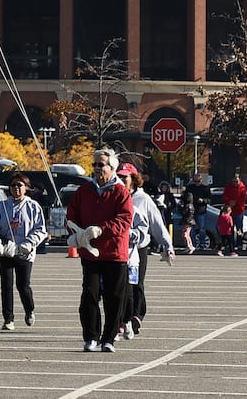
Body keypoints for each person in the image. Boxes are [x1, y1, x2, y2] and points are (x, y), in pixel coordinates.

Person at [66, 148, 133, 353]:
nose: (96, 168)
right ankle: (91, 337)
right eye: (94, 164)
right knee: (89, 295)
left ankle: (109, 338)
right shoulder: (84, 190)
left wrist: (101, 229)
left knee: (114, 297)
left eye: (100, 164)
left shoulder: (121, 192)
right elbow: (72, 213)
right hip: (90, 253)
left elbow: (125, 220)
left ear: (111, 167)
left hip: (114, 253)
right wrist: (75, 232)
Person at [116, 164, 172, 340]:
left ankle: (136, 316)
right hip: (118, 247)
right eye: (118, 176)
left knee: (136, 283)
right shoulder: (113, 196)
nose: (121, 180)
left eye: (125, 177)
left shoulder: (143, 199)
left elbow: (156, 223)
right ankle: (120, 320)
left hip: (138, 247)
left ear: (133, 179)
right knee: (118, 286)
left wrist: (167, 245)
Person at [0, 172, 48, 331]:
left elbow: (40, 229)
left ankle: (29, 309)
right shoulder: (2, 206)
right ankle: (8, 318)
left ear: (26, 188)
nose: (16, 188)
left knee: (23, 285)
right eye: (13, 185)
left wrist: (29, 243)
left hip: (25, 251)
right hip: (7, 251)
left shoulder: (33, 206)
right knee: (6, 285)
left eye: (20, 185)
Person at [222, 171, 247, 250]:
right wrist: (229, 202)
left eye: (236, 181)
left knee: (239, 228)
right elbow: (224, 196)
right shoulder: (228, 187)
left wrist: (235, 202)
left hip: (239, 211)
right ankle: (231, 244)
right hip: (230, 211)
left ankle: (239, 244)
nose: (235, 183)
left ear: (239, 180)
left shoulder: (242, 188)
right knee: (230, 228)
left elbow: (243, 199)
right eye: (233, 181)